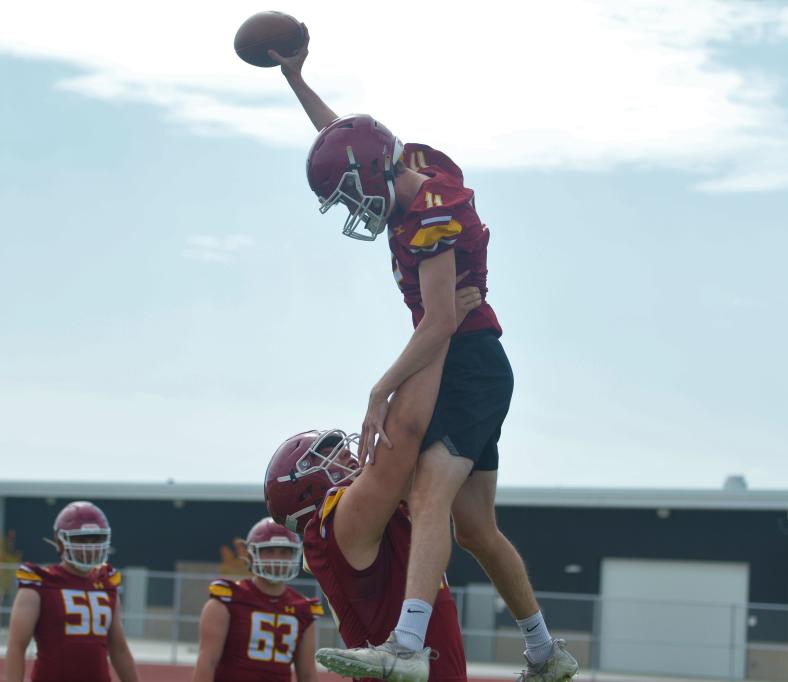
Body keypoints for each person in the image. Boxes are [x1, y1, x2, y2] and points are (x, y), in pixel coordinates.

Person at [268, 29, 579, 682]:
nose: (355, 210)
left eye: (350, 195)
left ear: (373, 175)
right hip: (477, 360)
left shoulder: (427, 219)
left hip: (465, 360)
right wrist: (298, 83)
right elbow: (345, 138)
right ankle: (546, 651)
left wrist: (381, 390)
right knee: (474, 530)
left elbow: (440, 321)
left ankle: (406, 648)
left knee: (430, 493)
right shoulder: (411, 166)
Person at [265, 428, 467, 682]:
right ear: (304, 490)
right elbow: (406, 440)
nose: (348, 454)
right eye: (331, 454)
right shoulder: (339, 521)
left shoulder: (379, 520)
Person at [5, 501, 138, 682]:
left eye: (96, 539)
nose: (90, 547)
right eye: (82, 539)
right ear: (61, 542)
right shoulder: (40, 583)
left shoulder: (107, 583)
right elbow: (16, 646)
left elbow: (119, 650)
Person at [192, 518, 322, 682]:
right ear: (252, 554)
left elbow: (308, 675)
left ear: (295, 554)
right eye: (269, 551)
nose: (277, 559)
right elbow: (207, 662)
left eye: (284, 552)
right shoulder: (227, 599)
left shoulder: (303, 609)